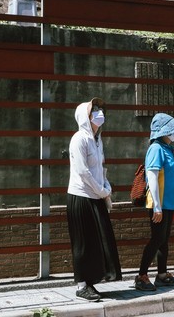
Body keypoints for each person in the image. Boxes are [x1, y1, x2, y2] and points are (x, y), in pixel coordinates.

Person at [66, 97, 122, 302]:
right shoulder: (79, 139)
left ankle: (92, 281)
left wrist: (106, 187)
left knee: (97, 240)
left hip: (96, 194)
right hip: (81, 197)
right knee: (83, 242)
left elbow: (99, 169)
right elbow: (83, 172)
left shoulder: (97, 140)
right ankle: (82, 285)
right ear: (84, 117)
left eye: (100, 109)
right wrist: (101, 190)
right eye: (94, 111)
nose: (99, 113)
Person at [134, 113, 174, 291]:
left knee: (164, 239)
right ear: (164, 131)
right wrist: (156, 205)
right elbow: (152, 176)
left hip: (168, 203)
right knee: (157, 239)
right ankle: (141, 276)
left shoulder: (168, 148)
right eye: (172, 128)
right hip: (159, 203)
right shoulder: (156, 148)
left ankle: (162, 274)